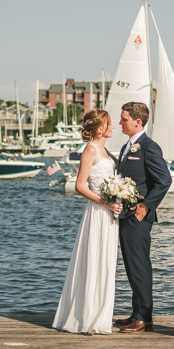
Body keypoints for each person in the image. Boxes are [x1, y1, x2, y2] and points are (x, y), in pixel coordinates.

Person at [52, 109, 122, 334]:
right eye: (109, 124)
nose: (113, 127)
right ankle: (87, 316)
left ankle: (101, 315)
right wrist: (106, 202)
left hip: (110, 213)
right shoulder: (90, 150)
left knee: (106, 262)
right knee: (94, 259)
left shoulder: (105, 150)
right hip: (98, 212)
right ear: (100, 128)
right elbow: (80, 185)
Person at [113, 101, 172, 334]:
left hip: (138, 216)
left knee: (140, 266)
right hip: (125, 214)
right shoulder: (127, 146)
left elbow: (164, 181)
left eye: (124, 119)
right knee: (130, 266)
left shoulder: (149, 147)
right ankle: (136, 312)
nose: (120, 122)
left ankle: (144, 318)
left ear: (138, 122)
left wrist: (146, 206)